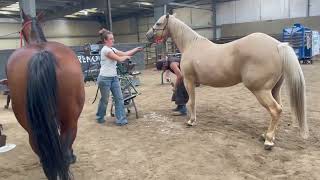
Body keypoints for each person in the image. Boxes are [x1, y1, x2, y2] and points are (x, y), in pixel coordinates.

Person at [96, 28, 143, 125]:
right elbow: (120, 59)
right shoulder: (105, 50)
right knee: (104, 100)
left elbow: (125, 54)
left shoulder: (112, 49)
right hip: (104, 78)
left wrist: (136, 50)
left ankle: (120, 120)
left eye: (113, 38)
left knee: (119, 98)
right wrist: (126, 57)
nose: (113, 40)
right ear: (105, 40)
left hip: (114, 78)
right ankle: (99, 117)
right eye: (111, 39)